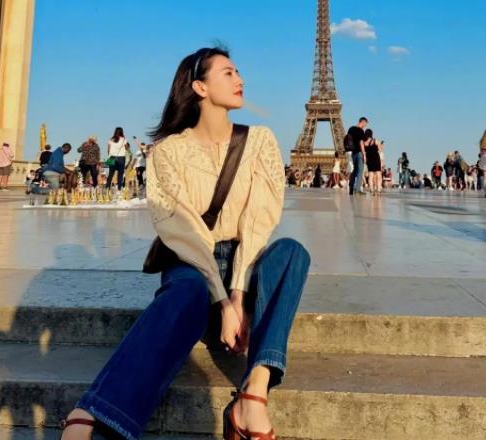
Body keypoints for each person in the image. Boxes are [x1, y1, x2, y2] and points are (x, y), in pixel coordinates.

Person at [58, 47, 310, 440]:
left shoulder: (260, 141)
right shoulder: (168, 152)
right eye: (228, 72)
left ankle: (253, 394)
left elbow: (259, 221)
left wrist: (238, 293)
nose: (240, 79)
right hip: (192, 261)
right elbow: (184, 231)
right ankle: (99, 410)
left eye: (238, 72)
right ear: (199, 87)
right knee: (187, 289)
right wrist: (221, 300)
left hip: (243, 263)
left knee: (293, 252)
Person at [347, 117, 368, 195]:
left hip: (353, 153)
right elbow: (361, 143)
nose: (365, 126)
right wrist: (364, 154)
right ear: (363, 122)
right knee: (360, 171)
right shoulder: (360, 130)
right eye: (365, 124)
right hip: (359, 153)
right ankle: (357, 190)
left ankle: (351, 188)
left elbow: (347, 139)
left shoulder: (351, 129)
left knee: (354, 171)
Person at [364, 129, 382, 195]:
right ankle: (378, 190)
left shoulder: (364, 143)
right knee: (378, 174)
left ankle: (371, 190)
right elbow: (380, 149)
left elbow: (364, 152)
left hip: (369, 159)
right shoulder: (375, 141)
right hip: (376, 158)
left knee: (370, 175)